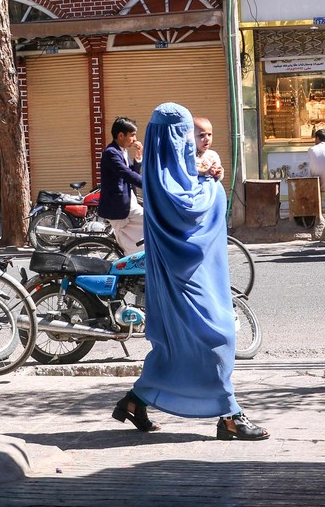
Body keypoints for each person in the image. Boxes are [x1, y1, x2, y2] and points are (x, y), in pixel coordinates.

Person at [112, 102, 268, 441]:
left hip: (182, 275)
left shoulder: (165, 173)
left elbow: (190, 191)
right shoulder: (172, 181)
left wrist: (205, 176)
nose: (189, 141)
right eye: (184, 134)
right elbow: (192, 211)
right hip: (185, 276)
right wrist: (213, 185)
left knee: (178, 346)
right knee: (218, 335)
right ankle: (230, 416)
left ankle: (136, 401)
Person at [99, 116, 144, 256]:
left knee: (149, 225)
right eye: (132, 135)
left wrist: (138, 156)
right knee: (130, 244)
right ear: (120, 135)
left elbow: (132, 173)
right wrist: (150, 185)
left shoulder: (121, 151)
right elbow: (126, 174)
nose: (135, 139)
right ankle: (129, 270)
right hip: (118, 207)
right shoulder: (111, 153)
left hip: (129, 204)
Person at [194, 116, 224, 181]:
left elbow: (219, 177)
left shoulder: (212, 155)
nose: (207, 139)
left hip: (210, 188)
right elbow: (189, 171)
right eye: (201, 135)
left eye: (209, 134)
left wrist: (218, 173)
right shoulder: (189, 155)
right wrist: (205, 172)